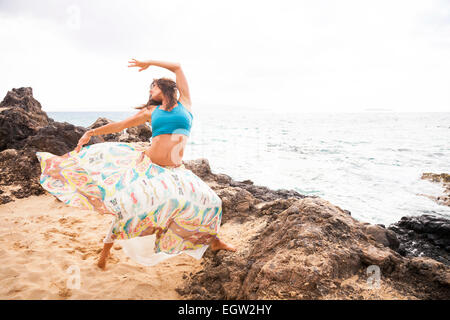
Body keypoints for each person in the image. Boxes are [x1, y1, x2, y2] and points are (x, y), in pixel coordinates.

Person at [36, 59, 235, 270]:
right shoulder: (151, 112)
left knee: (212, 202)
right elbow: (121, 125)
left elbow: (177, 67)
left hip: (176, 171)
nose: (150, 91)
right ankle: (105, 253)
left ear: (165, 87)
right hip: (147, 168)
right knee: (127, 209)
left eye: (153, 86)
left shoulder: (185, 103)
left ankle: (214, 242)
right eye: (150, 88)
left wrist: (148, 62)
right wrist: (91, 132)